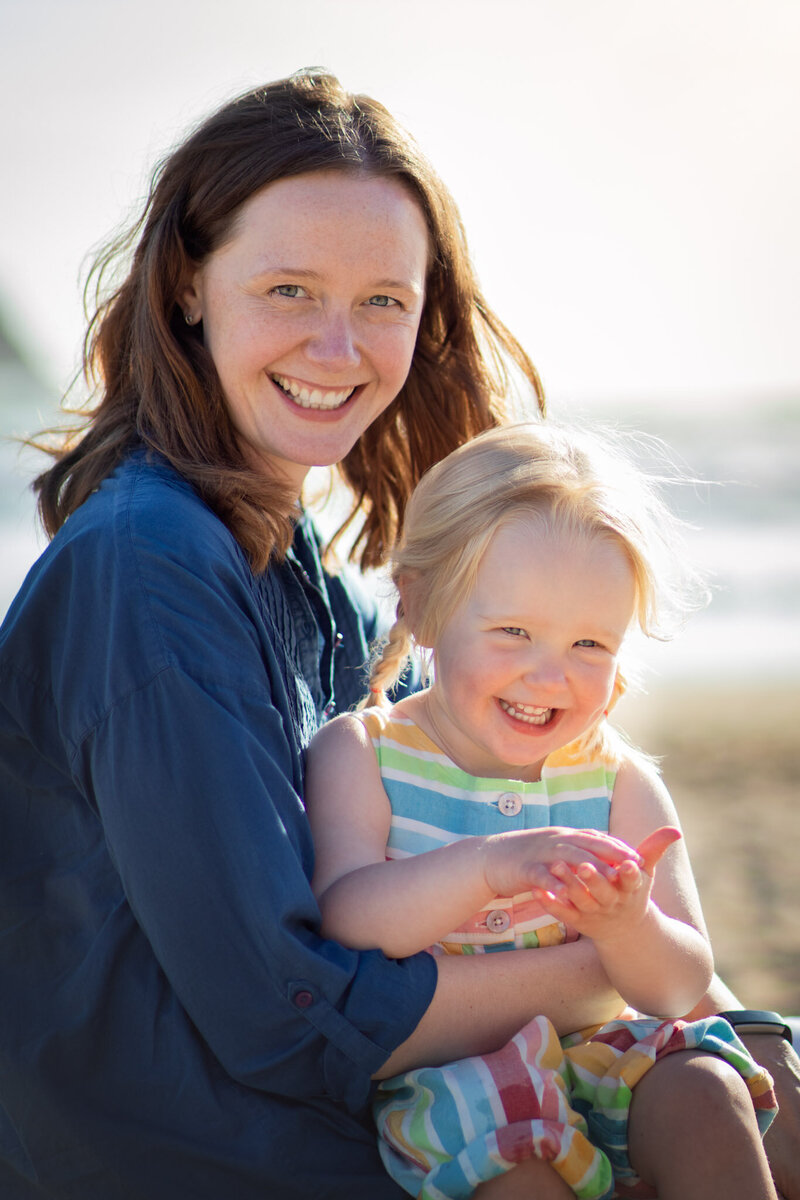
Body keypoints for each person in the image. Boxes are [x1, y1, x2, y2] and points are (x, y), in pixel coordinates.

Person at [0, 70, 796, 1199]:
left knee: (760, 1080)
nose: (338, 345)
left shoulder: (297, 570)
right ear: (186, 287)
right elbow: (287, 1019)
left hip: (311, 1111)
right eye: (287, 288)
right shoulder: (148, 571)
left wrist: (695, 990)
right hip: (207, 1150)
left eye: (382, 299)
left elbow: (481, 731)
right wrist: (591, 972)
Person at [304, 421, 779, 1199]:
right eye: (514, 632)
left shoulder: (618, 783)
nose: (548, 675)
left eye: (590, 645)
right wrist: (488, 867)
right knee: (518, 1169)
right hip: (454, 1081)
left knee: (704, 1089)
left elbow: (678, 983)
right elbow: (348, 919)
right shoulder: (365, 753)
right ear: (421, 606)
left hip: (604, 1051)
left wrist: (629, 927)